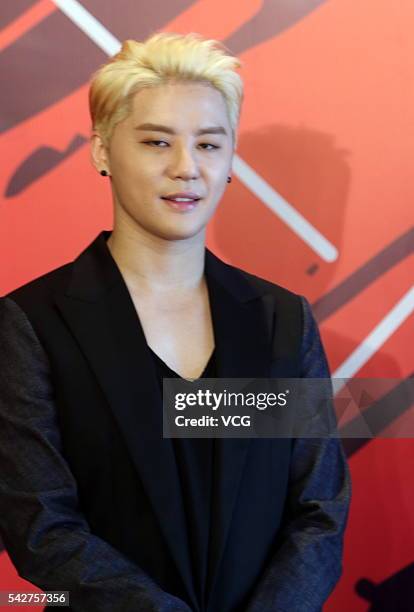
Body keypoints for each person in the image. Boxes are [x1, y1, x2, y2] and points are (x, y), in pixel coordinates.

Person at [0, 32, 351, 612]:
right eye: (157, 141)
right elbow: (40, 526)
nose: (186, 168)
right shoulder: (32, 324)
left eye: (210, 145)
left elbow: (320, 508)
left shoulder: (280, 321)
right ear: (102, 151)